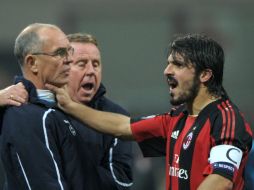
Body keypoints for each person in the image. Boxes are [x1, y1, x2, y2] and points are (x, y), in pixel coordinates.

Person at [48, 34, 253, 190]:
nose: (167, 70)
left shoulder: (226, 119)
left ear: (205, 75)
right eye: (169, 63)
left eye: (178, 64)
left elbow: (221, 180)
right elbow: (122, 126)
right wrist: (71, 106)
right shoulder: (177, 117)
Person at [0, 23, 86, 190]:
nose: (69, 59)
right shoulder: (27, 115)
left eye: (69, 51)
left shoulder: (64, 108)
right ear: (32, 63)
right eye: (60, 53)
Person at [65, 33, 133, 189]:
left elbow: (121, 181)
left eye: (96, 64)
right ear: (63, 67)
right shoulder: (41, 109)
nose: (91, 71)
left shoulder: (117, 117)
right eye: (81, 64)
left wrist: (68, 168)